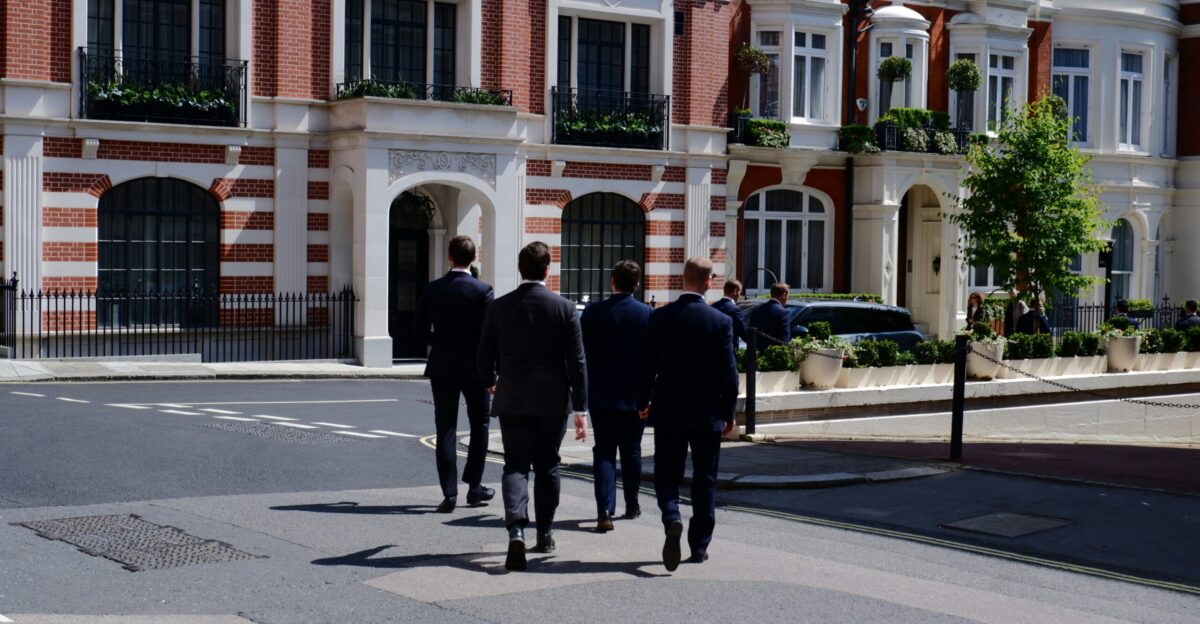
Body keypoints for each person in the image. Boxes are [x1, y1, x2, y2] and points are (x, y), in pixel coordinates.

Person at [477, 241, 588, 572]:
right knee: (548, 465)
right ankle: (546, 532)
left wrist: (490, 380)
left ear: (519, 269)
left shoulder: (498, 308)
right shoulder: (565, 308)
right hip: (552, 401)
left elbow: (483, 353)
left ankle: (516, 529)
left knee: (514, 465)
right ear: (547, 270)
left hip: (512, 397)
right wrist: (581, 408)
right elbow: (577, 362)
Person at [638, 257, 738, 571]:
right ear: (709, 282)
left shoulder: (661, 317)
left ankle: (672, 517)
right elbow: (729, 373)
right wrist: (729, 412)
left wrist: (643, 401)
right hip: (707, 413)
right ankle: (699, 546)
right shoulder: (720, 321)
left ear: (684, 279)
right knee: (705, 480)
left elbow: (647, 366)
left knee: (667, 474)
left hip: (669, 410)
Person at [413, 235, 495, 514]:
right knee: (480, 424)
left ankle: (449, 493)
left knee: (445, 428)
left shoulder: (433, 289)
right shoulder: (483, 290)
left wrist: (441, 343)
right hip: (475, 367)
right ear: (474, 258)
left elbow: (420, 328)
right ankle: (474, 487)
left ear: (450, 257)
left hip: (443, 366)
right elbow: (487, 335)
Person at [580, 260, 651, 532]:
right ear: (637, 284)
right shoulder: (647, 314)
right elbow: (652, 360)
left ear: (612, 281)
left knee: (605, 453)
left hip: (601, 395)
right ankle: (631, 504)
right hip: (635, 397)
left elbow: (582, 353)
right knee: (632, 452)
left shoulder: (593, 313)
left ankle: (604, 511)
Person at [711, 278, 747, 347]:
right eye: (740, 292)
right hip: (729, 351)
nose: (739, 296)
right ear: (735, 291)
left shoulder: (712, 307)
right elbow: (744, 333)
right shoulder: (736, 310)